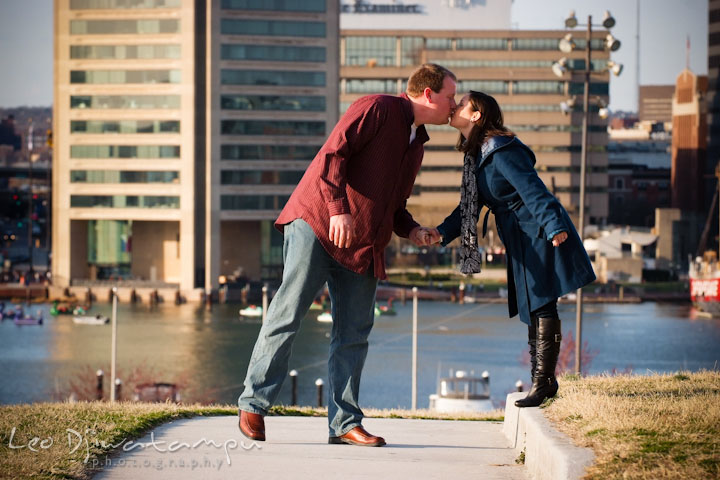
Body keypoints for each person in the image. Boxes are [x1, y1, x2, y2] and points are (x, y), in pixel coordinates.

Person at [238, 64, 458, 446]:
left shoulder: (416, 143)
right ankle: (253, 404)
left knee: (354, 332)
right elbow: (332, 156)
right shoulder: (376, 107)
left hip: (364, 243)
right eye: (451, 96)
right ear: (428, 94)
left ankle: (344, 423)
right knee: (287, 314)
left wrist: (412, 230)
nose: (453, 105)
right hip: (318, 223)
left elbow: (394, 205)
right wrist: (339, 208)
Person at [427, 91, 596, 408]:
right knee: (533, 304)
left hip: (537, 231)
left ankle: (544, 382)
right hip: (519, 235)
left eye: (462, 103)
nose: (455, 106)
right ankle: (540, 379)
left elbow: (533, 188)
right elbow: (469, 208)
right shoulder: (478, 156)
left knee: (542, 301)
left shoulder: (501, 150)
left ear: (476, 115)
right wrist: (438, 233)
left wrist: (553, 226)